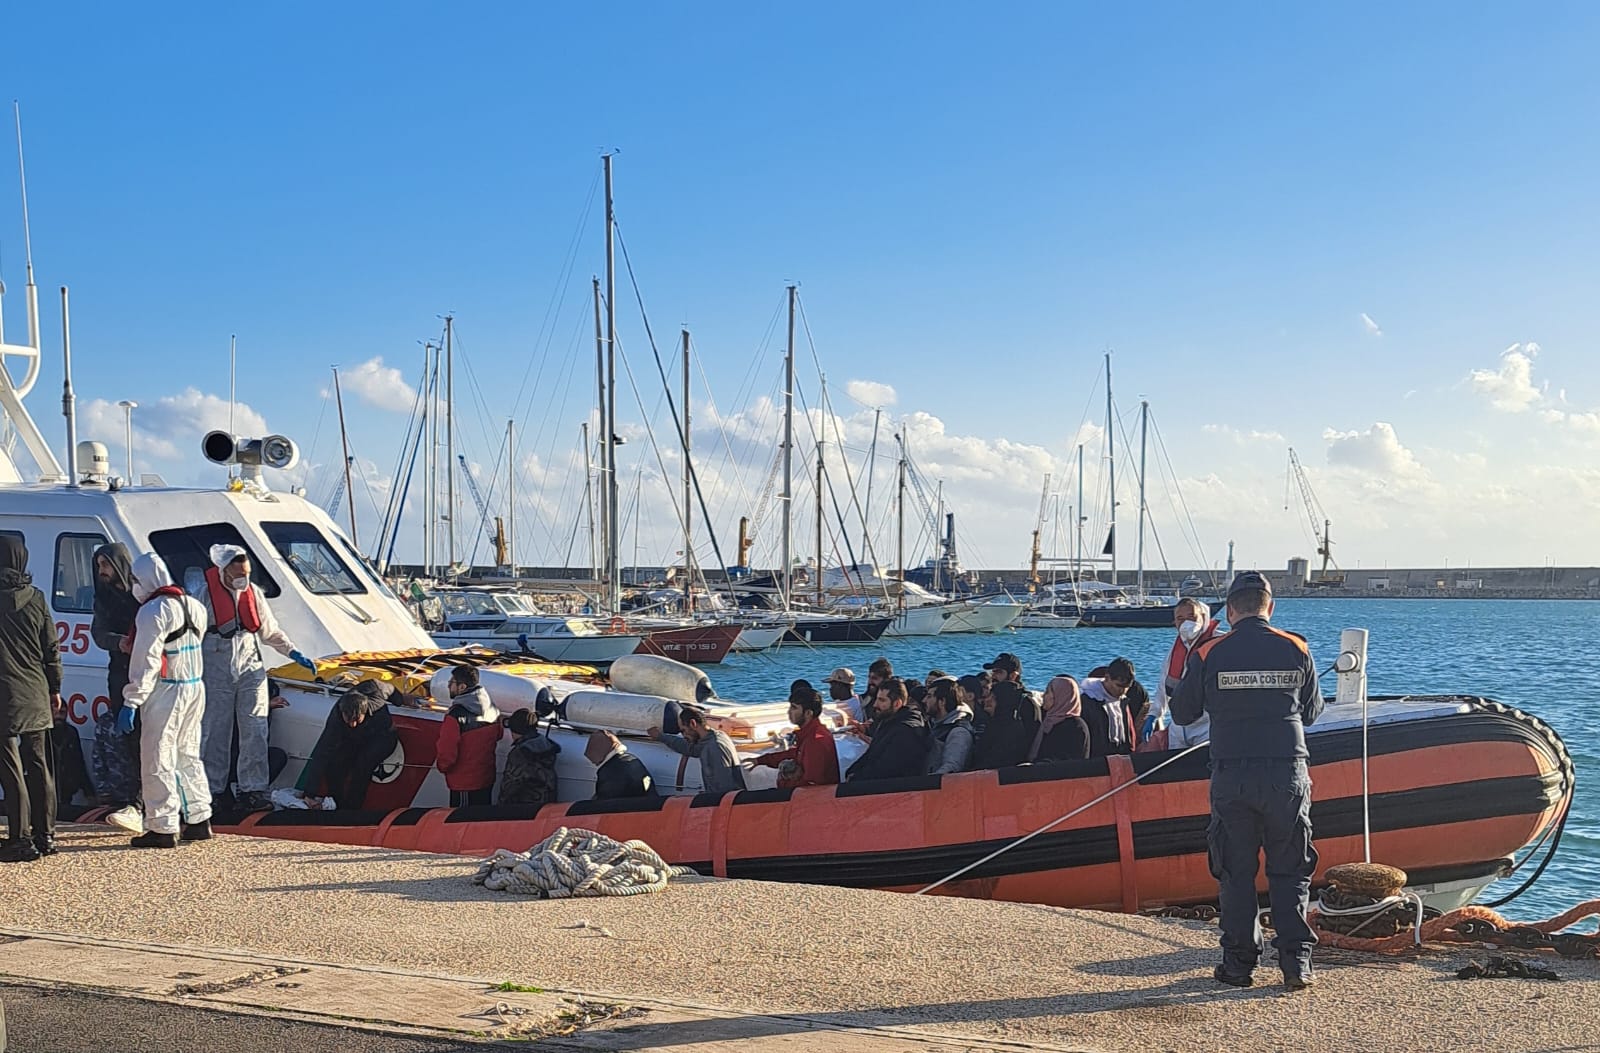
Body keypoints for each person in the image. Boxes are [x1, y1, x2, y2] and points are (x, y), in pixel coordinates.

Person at [1171, 571, 1323, 991]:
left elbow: (1182, 713)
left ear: (1230, 610)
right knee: (1291, 869)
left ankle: (1239, 965)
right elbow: (1311, 713)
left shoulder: (1209, 652)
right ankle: (1296, 964)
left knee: (1235, 872)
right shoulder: (1296, 648)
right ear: (1269, 607)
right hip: (1286, 773)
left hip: (1232, 773)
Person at [195, 544, 316, 812]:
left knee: (255, 727)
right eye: (239, 573)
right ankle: (213, 790)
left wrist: (292, 651)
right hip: (215, 660)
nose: (243, 578)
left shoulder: (253, 594)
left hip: (249, 659)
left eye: (247, 573)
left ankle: (253, 789)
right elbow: (192, 635)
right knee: (215, 729)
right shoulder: (204, 595)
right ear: (224, 570)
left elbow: (269, 631)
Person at [119, 552, 212, 849]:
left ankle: (162, 826)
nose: (134, 586)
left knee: (157, 756)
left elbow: (146, 660)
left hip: (166, 690)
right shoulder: (195, 606)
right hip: (195, 686)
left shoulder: (152, 611)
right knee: (188, 754)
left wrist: (132, 700)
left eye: (136, 579)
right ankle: (199, 819)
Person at [0, 536, 62, 861]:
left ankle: (19, 840)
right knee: (39, 765)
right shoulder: (36, 598)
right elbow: (52, 647)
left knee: (11, 769)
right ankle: (46, 836)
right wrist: (55, 688)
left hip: (4, 694)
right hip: (36, 692)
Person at [89, 544, 145, 831]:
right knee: (128, 739)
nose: (102, 571)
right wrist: (119, 642)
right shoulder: (104, 598)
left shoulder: (142, 595)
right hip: (119, 674)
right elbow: (98, 633)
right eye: (99, 565)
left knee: (148, 738)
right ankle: (133, 799)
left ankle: (143, 801)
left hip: (147, 672)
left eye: (106, 565)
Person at [295, 679, 400, 810]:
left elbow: (390, 689)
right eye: (348, 720)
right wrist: (309, 794)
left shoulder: (375, 694)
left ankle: (352, 809)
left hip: (383, 736)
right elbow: (321, 753)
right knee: (334, 764)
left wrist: (401, 700)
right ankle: (336, 803)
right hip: (354, 738)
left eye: (356, 719)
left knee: (362, 766)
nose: (352, 724)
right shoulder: (336, 719)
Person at [1156, 599, 1222, 749]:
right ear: (1174, 622)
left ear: (1203, 617)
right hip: (1178, 727)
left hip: (1207, 725)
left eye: (1192, 617)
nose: (1186, 622)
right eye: (1180, 618)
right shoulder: (1174, 650)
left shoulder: (1219, 643)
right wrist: (1154, 714)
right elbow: (1163, 684)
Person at [435, 665, 503, 807]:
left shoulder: (455, 716)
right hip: (486, 777)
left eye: (451, 682)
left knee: (461, 818)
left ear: (462, 687)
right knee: (480, 818)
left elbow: (447, 751)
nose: (448, 685)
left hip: (464, 782)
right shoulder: (492, 708)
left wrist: (443, 767)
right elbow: (499, 734)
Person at [750, 681, 839, 788]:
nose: (789, 712)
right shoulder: (810, 735)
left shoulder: (815, 741)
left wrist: (783, 780)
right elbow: (794, 754)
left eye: (794, 708)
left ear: (808, 713)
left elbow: (812, 786)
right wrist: (761, 760)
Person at [649, 705, 746, 796]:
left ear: (693, 723)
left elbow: (724, 788)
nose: (684, 735)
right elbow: (691, 749)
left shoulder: (715, 747)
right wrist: (661, 737)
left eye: (683, 730)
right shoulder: (715, 737)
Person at [845, 678, 928, 782]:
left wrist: (855, 778)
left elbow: (887, 769)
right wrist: (851, 772)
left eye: (882, 700)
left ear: (897, 704)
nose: (875, 705)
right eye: (877, 699)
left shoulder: (906, 731)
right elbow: (871, 755)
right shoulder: (888, 722)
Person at [973, 654, 1039, 769]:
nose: (993, 676)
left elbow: (1033, 739)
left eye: (999, 672)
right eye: (993, 672)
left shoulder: (1025, 703)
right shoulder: (990, 700)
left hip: (1013, 769)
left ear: (1013, 675)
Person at [498, 708, 561, 807]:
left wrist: (500, 807)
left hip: (523, 807)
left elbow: (510, 785)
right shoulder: (546, 746)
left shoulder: (520, 753)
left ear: (515, 730)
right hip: (546, 804)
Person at [1081, 658, 1136, 757]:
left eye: (1126, 687)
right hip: (1096, 757)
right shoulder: (1088, 700)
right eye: (1118, 686)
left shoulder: (1123, 701)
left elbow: (1129, 733)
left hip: (1120, 754)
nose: (1122, 691)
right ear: (1107, 678)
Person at [1029, 676, 1090, 762]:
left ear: (1060, 696)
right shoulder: (1048, 719)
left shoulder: (1075, 726)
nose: (1043, 695)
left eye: (1047, 692)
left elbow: (1069, 761)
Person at [924, 678, 975, 775]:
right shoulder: (937, 725)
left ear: (942, 701)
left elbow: (951, 768)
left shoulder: (958, 732)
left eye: (929, 696)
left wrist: (926, 781)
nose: (924, 700)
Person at [586, 730, 657, 800]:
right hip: (649, 804)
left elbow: (605, 802)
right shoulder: (631, 760)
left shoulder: (611, 772)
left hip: (630, 806)